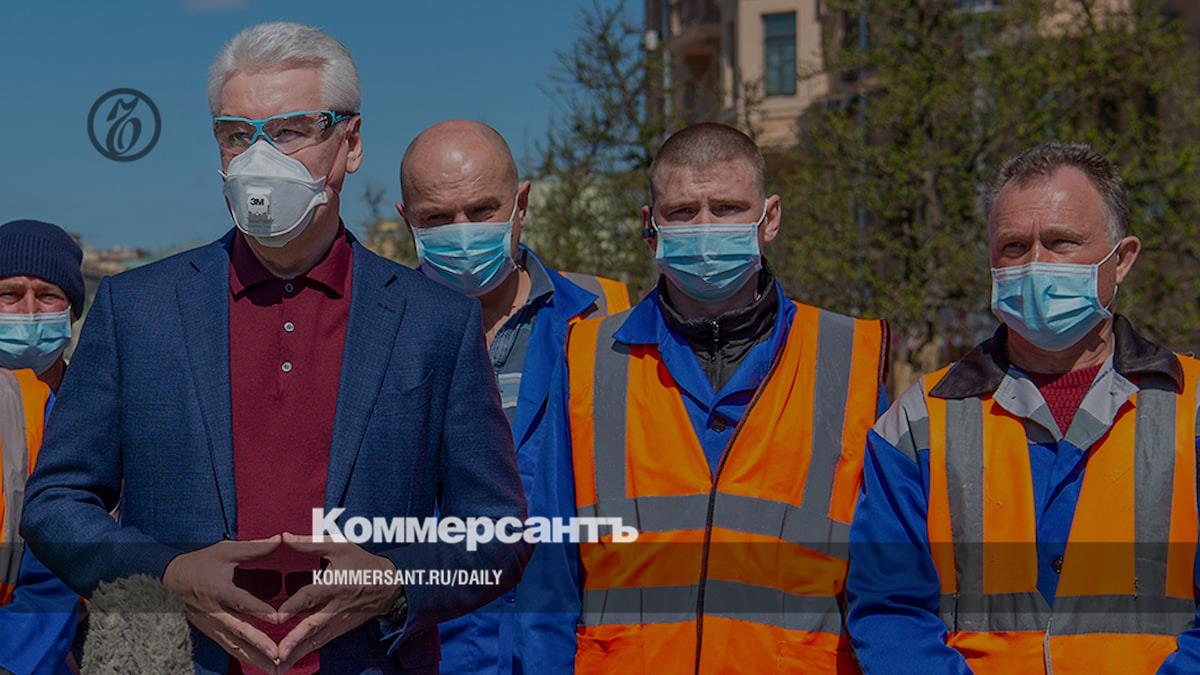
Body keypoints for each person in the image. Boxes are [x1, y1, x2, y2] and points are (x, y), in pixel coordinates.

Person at [21, 22, 529, 674]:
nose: (260, 157)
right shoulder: (138, 308)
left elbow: (497, 531)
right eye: (237, 134)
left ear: (351, 144)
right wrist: (166, 574)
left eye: (289, 131)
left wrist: (393, 583)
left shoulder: (434, 321)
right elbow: (56, 504)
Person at [542, 122, 889, 672]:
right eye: (682, 212)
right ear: (650, 227)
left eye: (727, 208)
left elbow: (886, 585)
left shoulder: (850, 359)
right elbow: (550, 572)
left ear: (769, 218)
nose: (705, 229)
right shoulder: (585, 356)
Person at [847, 142, 1200, 673]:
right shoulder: (917, 422)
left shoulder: (1191, 408)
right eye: (1014, 246)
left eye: (1061, 242)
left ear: (1122, 259)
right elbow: (887, 609)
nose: (1036, 264)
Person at [397, 119, 630, 674]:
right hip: (431, 652)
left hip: (569, 650)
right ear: (408, 222)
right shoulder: (376, 334)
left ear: (521, 204)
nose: (462, 234)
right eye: (437, 218)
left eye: (482, 211)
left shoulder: (603, 320)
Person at [0, 219, 83, 674]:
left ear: (72, 311)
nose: (28, 311)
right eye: (10, 295)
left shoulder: (100, 409)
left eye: (47, 295)